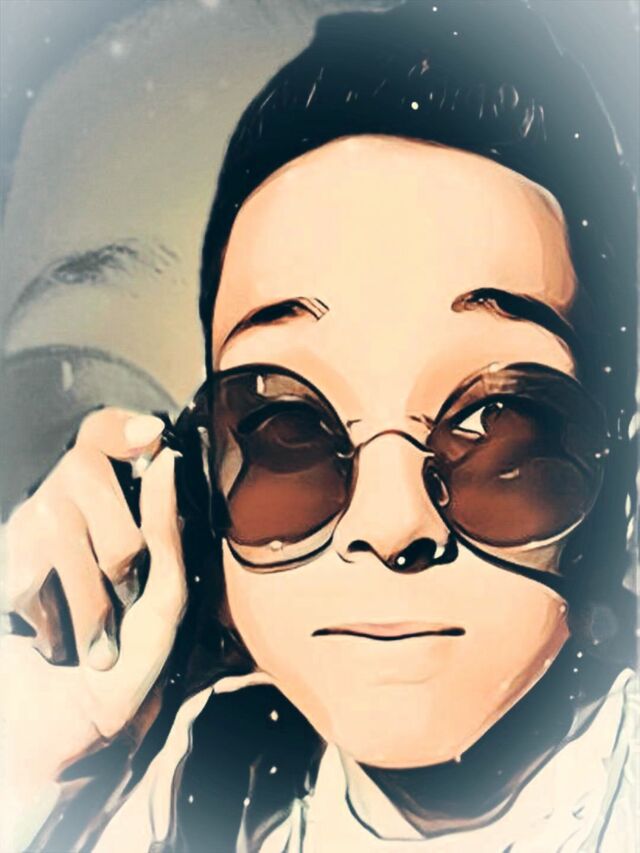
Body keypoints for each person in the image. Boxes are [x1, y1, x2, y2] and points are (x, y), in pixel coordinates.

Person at [1, 1, 637, 851]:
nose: (391, 525)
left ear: (620, 470)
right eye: (289, 427)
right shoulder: (193, 780)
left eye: (497, 422)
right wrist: (40, 757)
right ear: (193, 490)